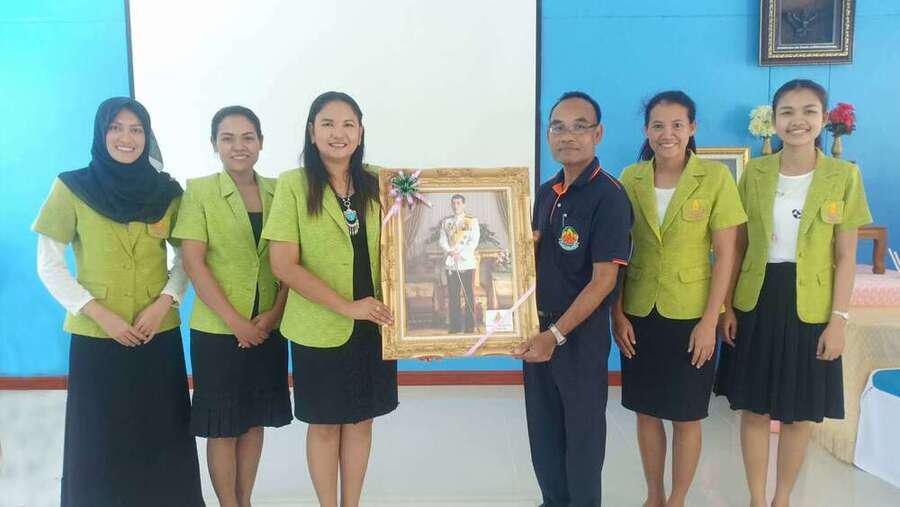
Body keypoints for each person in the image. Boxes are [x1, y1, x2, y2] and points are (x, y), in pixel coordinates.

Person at [33, 97, 204, 506]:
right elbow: (49, 265)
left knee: (161, 431)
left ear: (147, 136)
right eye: (116, 128)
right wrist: (97, 313)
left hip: (156, 334)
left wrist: (165, 301)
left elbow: (187, 258)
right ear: (101, 132)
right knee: (98, 436)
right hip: (97, 336)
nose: (126, 138)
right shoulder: (71, 187)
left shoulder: (166, 192)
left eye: (136, 129)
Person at [714, 79, 872, 507]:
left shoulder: (844, 176)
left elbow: (846, 256)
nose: (797, 120)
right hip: (757, 298)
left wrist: (838, 321)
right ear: (774, 120)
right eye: (787, 111)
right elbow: (739, 246)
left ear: (823, 119)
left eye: (808, 111)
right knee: (754, 408)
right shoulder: (755, 172)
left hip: (812, 306)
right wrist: (728, 306)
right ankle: (756, 499)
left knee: (799, 413)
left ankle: (782, 499)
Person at [263, 91, 398, 507]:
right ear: (311, 132)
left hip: (374, 324)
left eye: (347, 124)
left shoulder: (383, 180)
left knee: (361, 422)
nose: (338, 133)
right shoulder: (294, 184)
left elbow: (414, 246)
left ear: (361, 132)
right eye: (327, 124)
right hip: (319, 326)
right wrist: (347, 307)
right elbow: (283, 264)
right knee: (324, 425)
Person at [613, 91, 746, 507]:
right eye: (657, 125)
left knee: (687, 415)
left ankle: (678, 499)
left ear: (692, 128)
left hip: (691, 314)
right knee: (646, 411)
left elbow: (726, 254)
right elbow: (617, 250)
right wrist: (617, 312)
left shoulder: (715, 178)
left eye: (676, 125)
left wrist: (711, 320)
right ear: (646, 130)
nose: (666, 134)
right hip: (639, 311)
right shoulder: (631, 177)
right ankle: (654, 495)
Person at [513, 91, 633, 507]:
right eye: (558, 127)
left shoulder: (609, 196)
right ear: (548, 135)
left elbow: (603, 281)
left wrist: (556, 336)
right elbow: (530, 266)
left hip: (577, 338)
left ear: (598, 134)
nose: (568, 136)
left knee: (582, 439)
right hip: (538, 332)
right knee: (544, 434)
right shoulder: (546, 192)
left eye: (580, 126)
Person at [173, 106, 293, 507]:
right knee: (223, 426)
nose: (239, 146)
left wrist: (273, 315)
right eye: (228, 138)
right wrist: (236, 322)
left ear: (261, 142)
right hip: (218, 331)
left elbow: (294, 259)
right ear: (214, 144)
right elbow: (194, 262)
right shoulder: (200, 191)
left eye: (247, 137)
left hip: (268, 326)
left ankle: (246, 500)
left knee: (254, 420)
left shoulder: (282, 190)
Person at [439, 194, 480, 333]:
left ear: (464, 204)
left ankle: (470, 326)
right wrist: (451, 252)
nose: (456, 206)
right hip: (451, 264)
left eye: (458, 203)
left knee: (469, 295)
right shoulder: (446, 222)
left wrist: (460, 254)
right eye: (454, 203)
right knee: (453, 296)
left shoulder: (472, 221)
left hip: (466, 263)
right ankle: (455, 326)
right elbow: (442, 240)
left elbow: (473, 242)